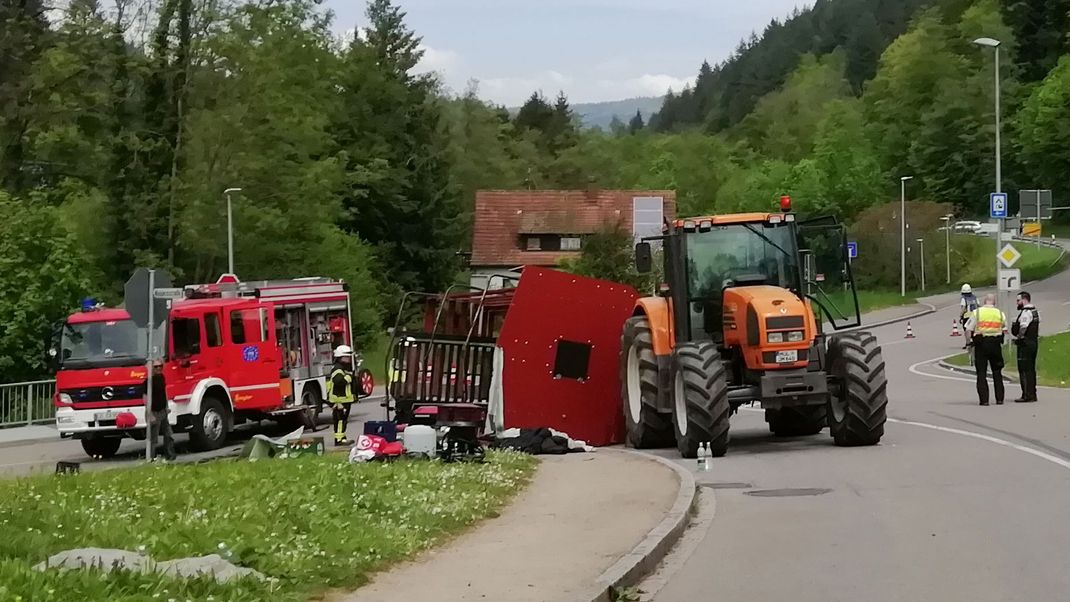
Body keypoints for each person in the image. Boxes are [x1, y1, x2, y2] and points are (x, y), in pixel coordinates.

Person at [965, 294, 1008, 406]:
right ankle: (999, 399)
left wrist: (968, 343)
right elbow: (1004, 328)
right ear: (994, 303)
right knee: (997, 372)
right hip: (995, 345)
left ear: (985, 301)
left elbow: (968, 329)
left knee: (981, 373)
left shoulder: (977, 313)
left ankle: (984, 400)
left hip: (981, 345)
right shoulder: (999, 313)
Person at [1011, 290, 1040, 403]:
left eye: (1018, 301)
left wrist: (1019, 337)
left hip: (1025, 345)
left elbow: (1023, 327)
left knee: (1024, 369)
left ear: (1024, 300)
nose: (1017, 303)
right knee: (1031, 370)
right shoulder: (1035, 311)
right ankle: (1032, 393)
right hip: (1033, 342)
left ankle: (1027, 394)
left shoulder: (1026, 313)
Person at [148, 360, 177, 461]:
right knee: (153, 437)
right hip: (154, 412)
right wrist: (150, 414)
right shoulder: (148, 381)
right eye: (156, 367)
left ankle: (170, 455)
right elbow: (145, 398)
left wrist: (167, 406)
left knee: (168, 433)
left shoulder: (162, 377)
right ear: (152, 368)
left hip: (163, 411)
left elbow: (164, 393)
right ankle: (151, 457)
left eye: (160, 366)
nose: (159, 368)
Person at [329, 345, 357, 446]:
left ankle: (342, 437)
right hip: (340, 400)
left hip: (344, 399)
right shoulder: (338, 368)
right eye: (347, 357)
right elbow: (338, 381)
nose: (349, 359)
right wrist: (349, 377)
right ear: (341, 357)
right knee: (340, 420)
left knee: (343, 420)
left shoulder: (342, 367)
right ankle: (339, 440)